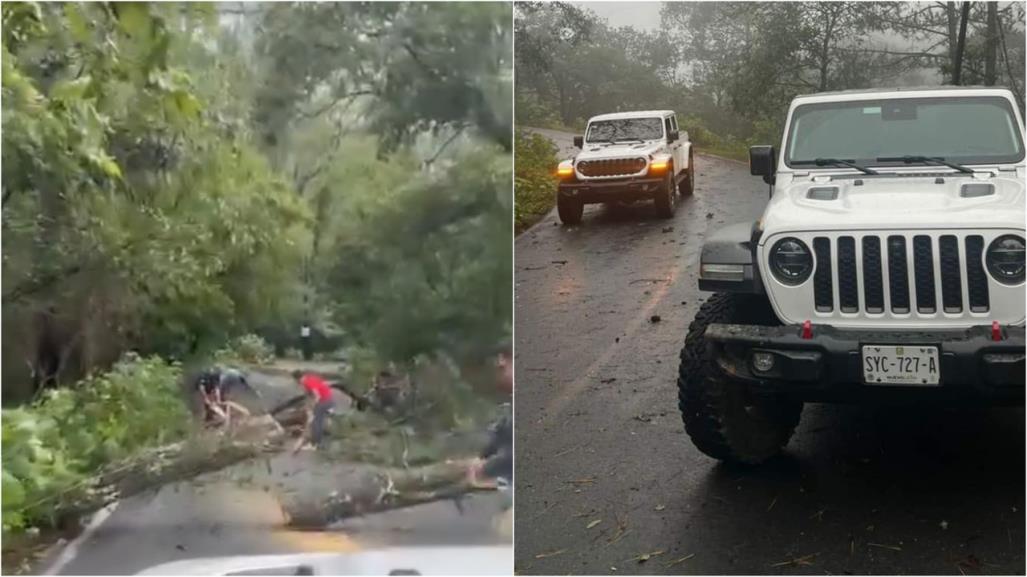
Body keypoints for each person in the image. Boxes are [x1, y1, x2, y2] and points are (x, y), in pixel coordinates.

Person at [291, 369, 335, 452]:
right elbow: (309, 396)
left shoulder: (307, 382)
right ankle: (319, 441)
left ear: (297, 379)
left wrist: (313, 409)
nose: (297, 383)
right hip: (328, 399)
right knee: (319, 421)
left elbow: (317, 396)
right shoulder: (309, 379)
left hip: (324, 401)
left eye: (295, 381)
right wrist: (308, 407)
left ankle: (314, 445)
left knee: (316, 423)